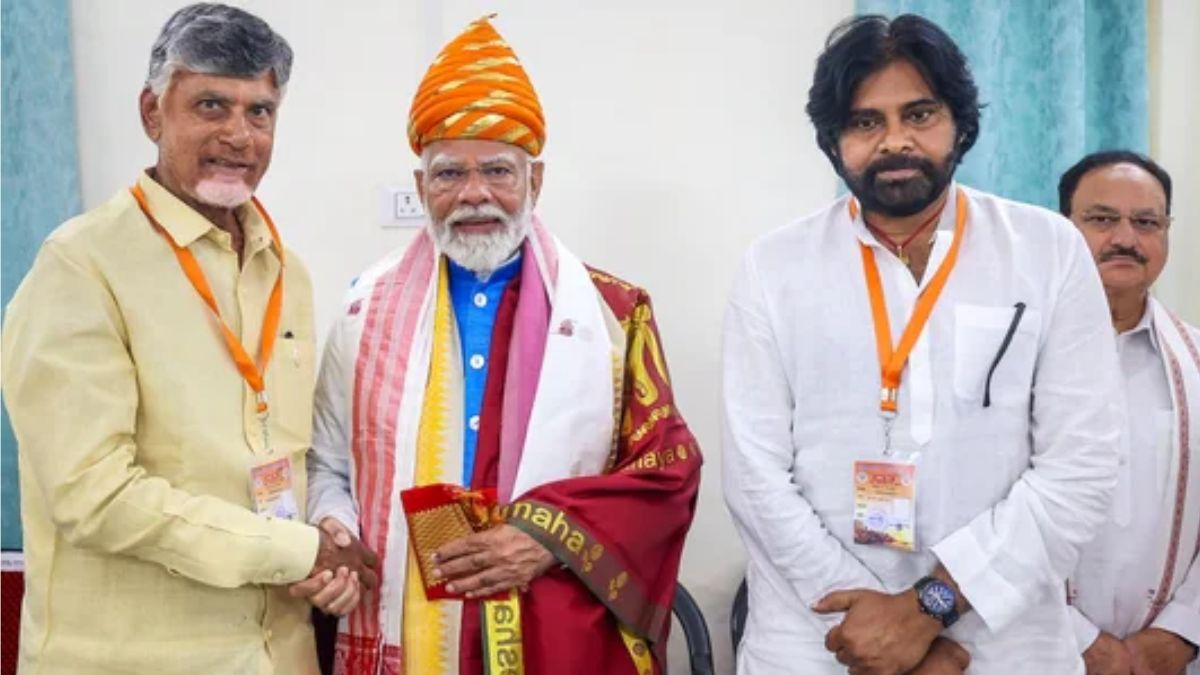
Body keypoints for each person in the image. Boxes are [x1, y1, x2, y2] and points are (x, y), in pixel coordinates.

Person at [722, 14, 1123, 675]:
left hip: (1002, 643)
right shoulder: (773, 267)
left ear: (960, 125)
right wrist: (878, 627)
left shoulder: (1047, 251)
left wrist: (930, 606)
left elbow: (1080, 465)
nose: (895, 141)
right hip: (818, 640)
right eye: (865, 122)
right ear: (832, 140)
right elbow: (754, 477)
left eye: (919, 114)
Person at [305, 15, 701, 675]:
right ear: (420, 186)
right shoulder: (361, 310)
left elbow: (666, 472)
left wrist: (546, 536)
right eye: (448, 174)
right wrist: (335, 529)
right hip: (404, 615)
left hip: (553, 626)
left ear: (535, 181)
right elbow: (326, 466)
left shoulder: (613, 314)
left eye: (497, 169)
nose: (474, 193)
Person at [2, 4, 377, 673]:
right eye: (211, 104)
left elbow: (283, 459)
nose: (239, 134)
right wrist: (291, 550)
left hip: (279, 653)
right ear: (152, 112)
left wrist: (323, 544)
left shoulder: (287, 271)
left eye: (260, 112)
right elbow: (95, 495)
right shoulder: (81, 265)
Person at [1058, 151, 1199, 675]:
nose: (1125, 238)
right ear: (1061, 230)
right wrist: (1082, 643)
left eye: (1146, 222)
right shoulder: (1009, 363)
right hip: (1037, 649)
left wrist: (1182, 632)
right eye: (1101, 219)